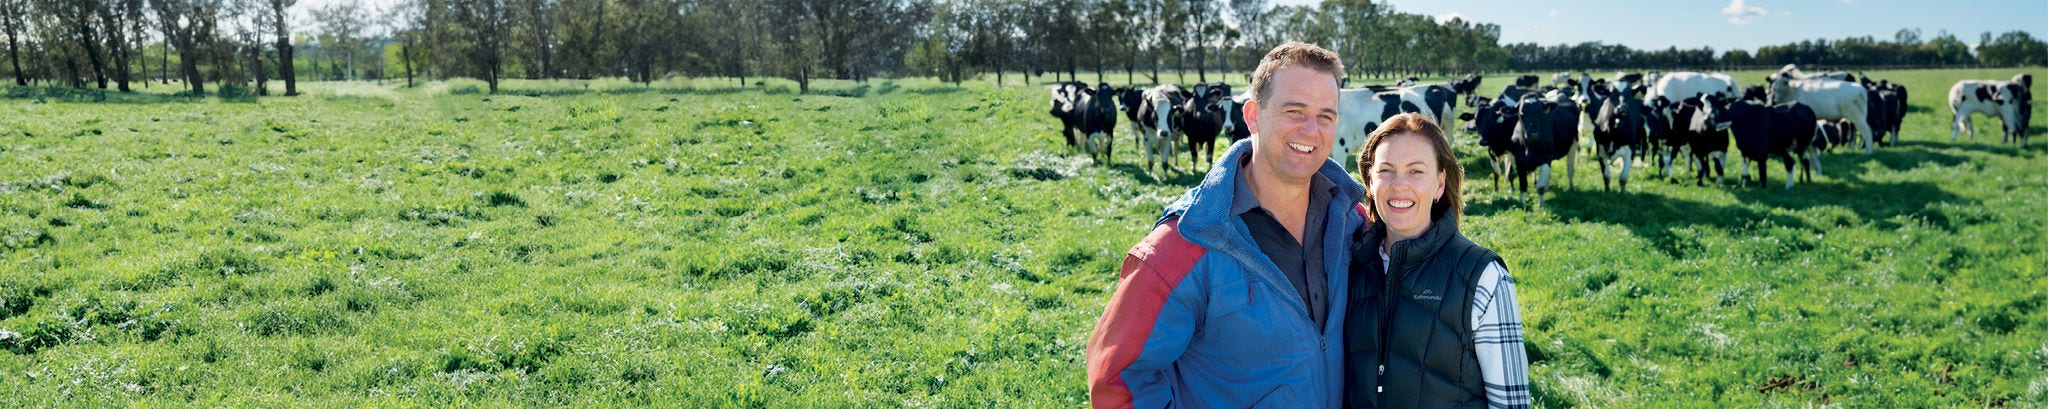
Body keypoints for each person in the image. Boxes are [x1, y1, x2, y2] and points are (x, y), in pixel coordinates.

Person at [1085, 42, 1366, 408]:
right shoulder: (1182, 246)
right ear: (1251, 116)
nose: (1311, 130)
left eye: (1325, 116)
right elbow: (1118, 381)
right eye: (1294, 111)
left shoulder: (1352, 222)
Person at [1343, 113, 1530, 409]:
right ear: (1369, 180)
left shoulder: (1483, 277)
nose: (1399, 185)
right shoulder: (1350, 266)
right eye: (1386, 170)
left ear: (1440, 183)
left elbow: (1512, 404)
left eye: (1416, 171)